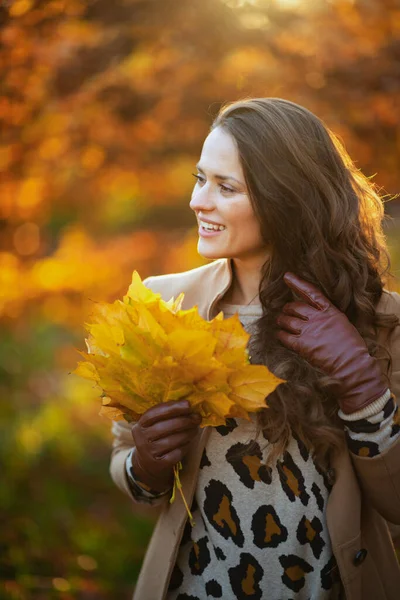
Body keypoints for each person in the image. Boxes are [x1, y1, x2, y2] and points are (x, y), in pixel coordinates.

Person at [110, 98, 400, 600]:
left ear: (285, 199)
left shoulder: (377, 320)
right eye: (200, 179)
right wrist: (146, 464)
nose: (200, 202)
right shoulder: (162, 303)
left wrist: (361, 384)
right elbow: (129, 471)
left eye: (227, 188)